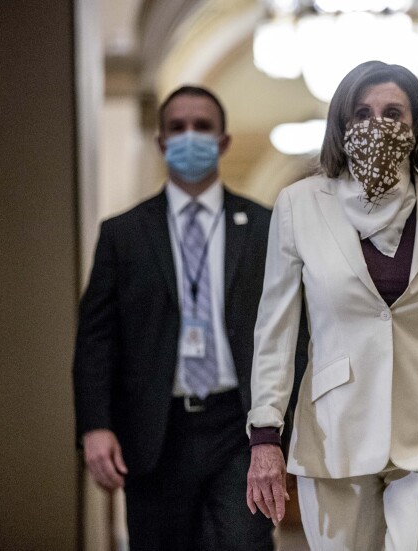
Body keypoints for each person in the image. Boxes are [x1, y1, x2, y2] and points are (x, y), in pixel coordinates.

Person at [244, 60, 418, 550]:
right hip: (334, 427)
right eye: (361, 113)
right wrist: (265, 435)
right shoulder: (299, 206)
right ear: (342, 125)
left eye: (393, 113)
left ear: (417, 127)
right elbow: (275, 330)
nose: (376, 125)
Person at [73, 85, 306, 550]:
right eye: (177, 128)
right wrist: (94, 425)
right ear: (160, 142)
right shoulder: (124, 234)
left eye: (202, 127)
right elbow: (97, 339)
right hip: (156, 427)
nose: (189, 136)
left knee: (246, 542)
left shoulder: (265, 226)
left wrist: (289, 422)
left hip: (240, 423)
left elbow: (293, 330)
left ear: (223, 142)